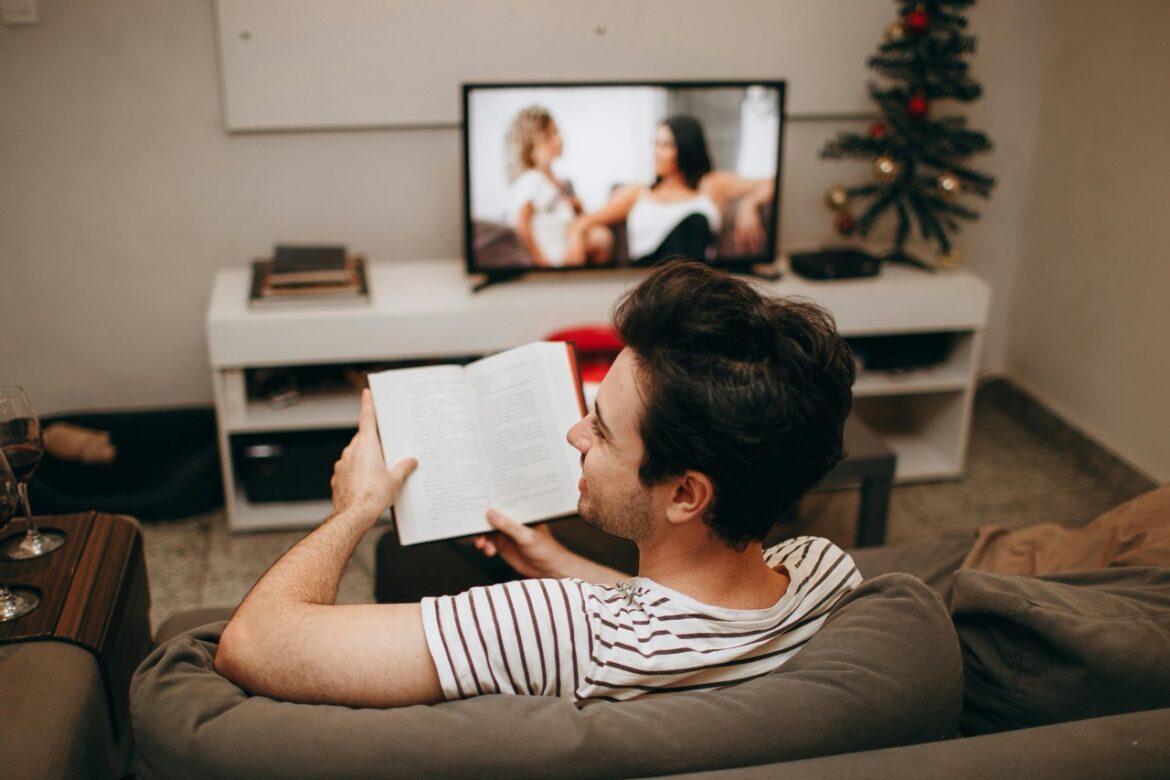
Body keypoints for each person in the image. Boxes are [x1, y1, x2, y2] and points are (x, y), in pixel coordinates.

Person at [214, 260, 859, 709]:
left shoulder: (559, 627)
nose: (575, 435)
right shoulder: (828, 576)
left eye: (602, 431)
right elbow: (687, 620)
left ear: (686, 495)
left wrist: (353, 511)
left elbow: (251, 646)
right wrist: (560, 561)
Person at [564, 115, 775, 266]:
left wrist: (750, 204)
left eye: (666, 145)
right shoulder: (638, 192)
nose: (657, 152)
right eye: (655, 144)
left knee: (695, 221)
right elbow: (588, 221)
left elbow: (772, 181)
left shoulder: (711, 185)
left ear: (686, 148)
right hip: (649, 277)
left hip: (692, 282)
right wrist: (576, 232)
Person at [505, 106, 613, 267]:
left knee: (601, 236)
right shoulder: (532, 179)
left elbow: (556, 212)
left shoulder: (556, 182)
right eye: (550, 135)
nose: (559, 139)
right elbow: (521, 223)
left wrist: (575, 207)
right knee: (600, 236)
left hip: (567, 246)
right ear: (531, 146)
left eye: (557, 132)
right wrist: (540, 262)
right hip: (553, 256)